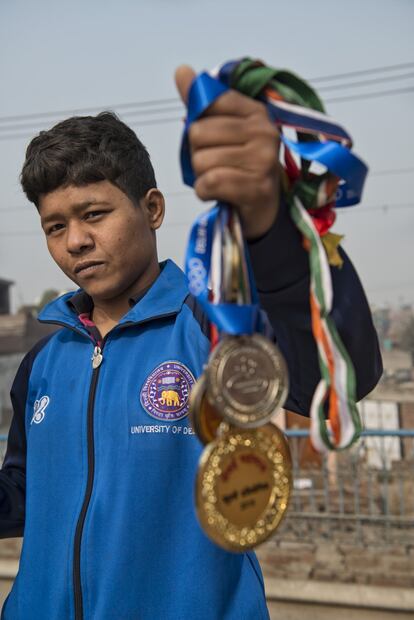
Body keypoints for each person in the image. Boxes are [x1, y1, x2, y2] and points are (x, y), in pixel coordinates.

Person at [0, 66, 382, 620]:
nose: (76, 241)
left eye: (94, 214)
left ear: (152, 209)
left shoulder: (213, 326)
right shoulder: (43, 359)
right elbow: (25, 490)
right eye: (55, 227)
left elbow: (337, 375)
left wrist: (268, 222)